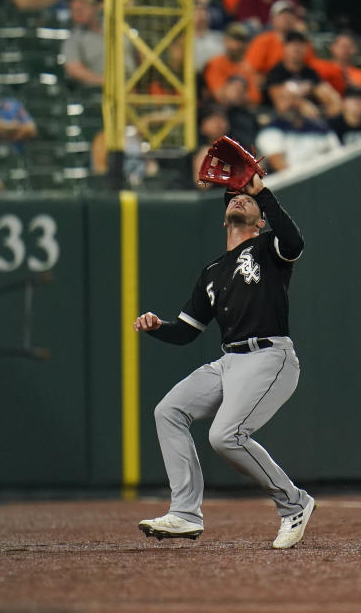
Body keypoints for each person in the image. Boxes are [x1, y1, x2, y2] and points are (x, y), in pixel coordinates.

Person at [133, 169, 316, 550]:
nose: (238, 199)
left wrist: (262, 192)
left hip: (270, 356)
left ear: (261, 218)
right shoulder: (212, 272)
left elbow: (294, 241)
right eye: (233, 198)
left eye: (247, 199)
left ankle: (294, 502)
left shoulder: (269, 248)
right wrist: (157, 327)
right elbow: (186, 331)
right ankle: (184, 513)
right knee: (168, 411)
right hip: (229, 361)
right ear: (223, 217)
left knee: (224, 436)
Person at [255, 88, 341, 173]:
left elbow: (339, 154)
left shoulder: (320, 127)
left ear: (301, 101)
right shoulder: (269, 133)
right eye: (284, 99)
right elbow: (281, 169)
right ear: (276, 104)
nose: (290, 103)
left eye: (294, 98)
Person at [265, 31, 342, 119]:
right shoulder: (277, 72)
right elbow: (277, 97)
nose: (296, 48)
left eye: (300, 45)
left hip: (314, 114)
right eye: (292, 45)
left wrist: (332, 102)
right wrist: (302, 98)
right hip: (285, 117)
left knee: (334, 100)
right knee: (298, 105)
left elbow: (324, 90)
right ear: (285, 48)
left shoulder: (309, 72)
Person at [244, 0, 315, 76]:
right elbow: (250, 69)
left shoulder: (303, 42)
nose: (286, 17)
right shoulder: (262, 41)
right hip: (270, 84)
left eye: (290, 14)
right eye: (281, 14)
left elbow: (311, 67)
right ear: (273, 19)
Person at [204, 22, 262, 106]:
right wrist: (241, 94)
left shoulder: (248, 67)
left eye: (242, 41)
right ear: (226, 41)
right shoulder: (215, 63)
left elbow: (255, 98)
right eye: (235, 40)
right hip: (218, 110)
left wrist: (236, 93)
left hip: (242, 110)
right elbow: (220, 96)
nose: (238, 45)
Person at [63, 0, 105, 86]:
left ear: (95, 7)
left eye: (82, 8)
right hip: (101, 91)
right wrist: (108, 82)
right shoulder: (73, 39)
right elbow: (74, 69)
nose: (78, 13)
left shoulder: (116, 26)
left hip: (135, 86)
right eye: (74, 10)